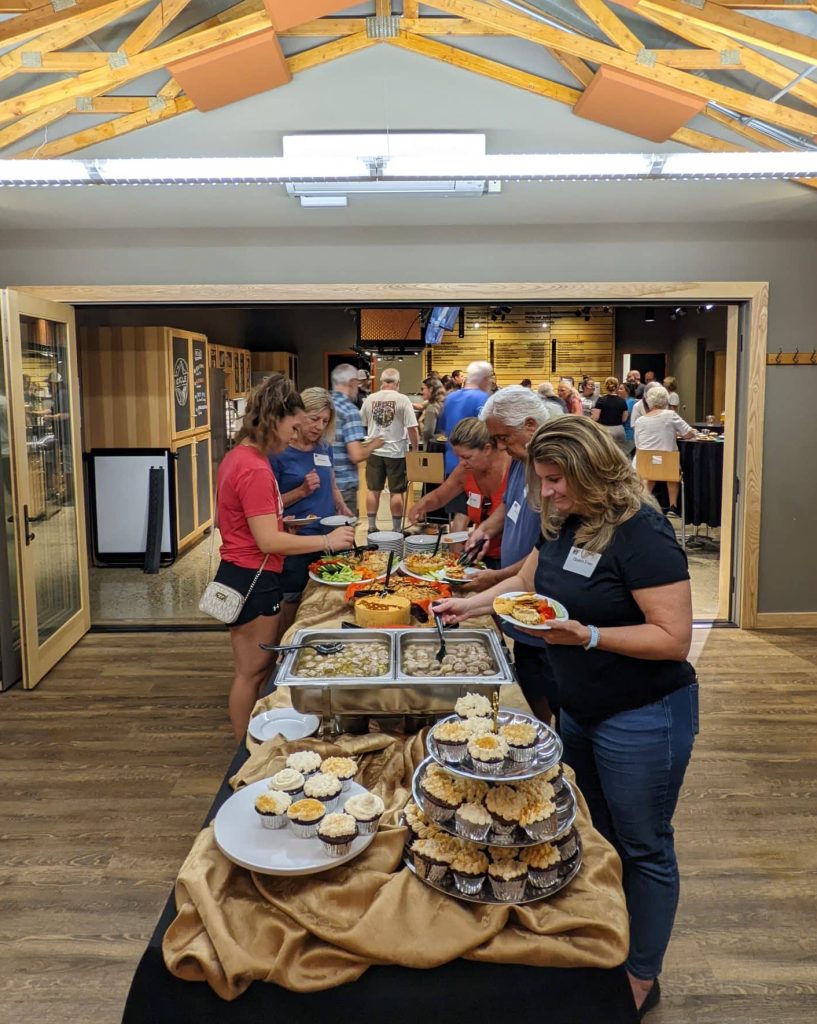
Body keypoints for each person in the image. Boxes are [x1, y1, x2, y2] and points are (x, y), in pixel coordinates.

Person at [434, 415, 698, 1020]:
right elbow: (531, 577)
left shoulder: (644, 533)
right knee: (594, 835)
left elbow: (673, 637)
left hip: (642, 715)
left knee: (644, 845)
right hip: (579, 708)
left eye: (556, 480)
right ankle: (602, 943)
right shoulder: (567, 517)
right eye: (541, 480)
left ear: (594, 471)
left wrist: (590, 635)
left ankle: (639, 974)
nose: (545, 493)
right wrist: (472, 603)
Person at [214, 375, 355, 739]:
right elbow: (268, 541)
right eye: (293, 427)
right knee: (252, 673)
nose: (295, 437)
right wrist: (327, 541)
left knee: (256, 670)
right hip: (252, 576)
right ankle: (248, 751)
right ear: (274, 418)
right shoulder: (255, 468)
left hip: (244, 573)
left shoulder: (239, 456)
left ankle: (252, 741)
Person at [460, 386, 562, 725]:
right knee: (531, 682)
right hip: (518, 598)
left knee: (555, 689)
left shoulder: (553, 466)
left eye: (504, 437)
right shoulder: (522, 459)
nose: (500, 447)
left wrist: (497, 578)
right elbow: (510, 505)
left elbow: (548, 550)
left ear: (531, 425)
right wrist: (486, 530)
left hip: (543, 605)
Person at [270, 388, 353, 636]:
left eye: (325, 421)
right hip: (296, 541)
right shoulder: (278, 452)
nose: (319, 426)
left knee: (329, 595)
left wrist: (340, 504)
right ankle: (285, 649)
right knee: (293, 599)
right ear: (298, 414)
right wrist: (301, 492)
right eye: (314, 418)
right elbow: (266, 506)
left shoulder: (323, 446)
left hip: (329, 537)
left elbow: (331, 479)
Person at [408, 417, 511, 567]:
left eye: (467, 457)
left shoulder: (513, 469)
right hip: (479, 554)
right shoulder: (465, 470)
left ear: (487, 449)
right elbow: (440, 496)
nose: (461, 462)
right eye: (458, 457)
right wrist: (422, 504)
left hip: (510, 558)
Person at [360, 368, 420, 533]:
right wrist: (415, 449)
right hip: (397, 452)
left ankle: (371, 527)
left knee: (373, 490)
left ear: (381, 382)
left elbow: (362, 424)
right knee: (396, 492)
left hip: (374, 450)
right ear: (397, 383)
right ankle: (396, 529)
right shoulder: (402, 399)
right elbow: (412, 428)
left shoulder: (370, 399)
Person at [435, 360, 494, 520]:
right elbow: (488, 431)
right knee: (468, 513)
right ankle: (461, 544)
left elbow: (441, 428)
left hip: (452, 465)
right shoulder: (483, 399)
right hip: (474, 466)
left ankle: (455, 543)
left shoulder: (451, 397)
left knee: (459, 513)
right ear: (484, 379)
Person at [330, 364, 384, 518]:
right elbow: (356, 455)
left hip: (323, 484)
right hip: (344, 486)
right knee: (344, 537)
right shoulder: (349, 410)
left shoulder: (323, 405)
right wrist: (374, 444)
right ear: (352, 382)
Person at [633, 385, 697, 516]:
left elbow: (638, 443)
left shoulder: (640, 421)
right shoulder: (670, 415)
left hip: (644, 464)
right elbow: (688, 433)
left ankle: (642, 503)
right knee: (672, 472)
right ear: (666, 400)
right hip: (667, 465)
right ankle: (673, 506)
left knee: (649, 474)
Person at [592, 376, 629, 449]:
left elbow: (595, 418)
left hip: (605, 430)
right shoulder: (622, 401)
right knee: (621, 453)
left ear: (605, 386)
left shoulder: (601, 400)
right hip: (619, 430)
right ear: (617, 386)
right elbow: (624, 419)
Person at [419, 376, 446, 447]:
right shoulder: (443, 403)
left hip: (433, 448)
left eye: (423, 389)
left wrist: (421, 423)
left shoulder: (432, 407)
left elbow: (428, 432)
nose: (422, 392)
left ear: (431, 389)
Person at [618, 380, 638, 454]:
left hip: (628, 433)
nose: (618, 391)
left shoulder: (630, 401)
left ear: (627, 391)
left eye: (621, 389)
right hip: (624, 432)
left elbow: (625, 417)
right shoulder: (623, 401)